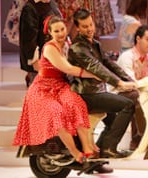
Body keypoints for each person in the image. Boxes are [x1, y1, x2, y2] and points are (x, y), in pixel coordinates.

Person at [13, 16, 98, 164]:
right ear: (50, 33)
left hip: (60, 85)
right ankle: (75, 152)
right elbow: (68, 68)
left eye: (63, 29)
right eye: (56, 31)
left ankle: (87, 148)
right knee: (56, 113)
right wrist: (96, 74)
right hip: (43, 90)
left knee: (76, 104)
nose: (60, 33)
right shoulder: (49, 48)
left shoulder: (67, 44)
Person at [68, 9, 138, 158]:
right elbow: (97, 68)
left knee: (113, 122)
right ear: (78, 28)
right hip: (86, 94)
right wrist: (119, 83)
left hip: (98, 92)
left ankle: (100, 150)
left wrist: (129, 81)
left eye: (91, 24)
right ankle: (110, 148)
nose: (89, 29)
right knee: (127, 105)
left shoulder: (95, 44)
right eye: (85, 26)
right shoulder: (77, 48)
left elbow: (109, 64)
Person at [19, 0, 62, 87]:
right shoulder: (30, 9)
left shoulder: (51, 3)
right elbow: (29, 39)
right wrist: (35, 61)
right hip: (41, 60)